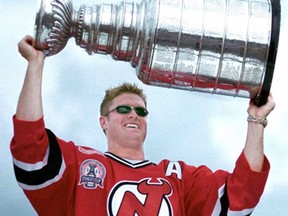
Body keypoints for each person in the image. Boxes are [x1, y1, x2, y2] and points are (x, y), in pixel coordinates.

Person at [11, 35, 276, 216]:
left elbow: (240, 197)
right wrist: (35, 64)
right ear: (104, 121)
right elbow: (30, 152)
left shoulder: (178, 177)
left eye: (141, 111)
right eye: (123, 109)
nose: (133, 115)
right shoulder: (81, 165)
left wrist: (257, 120)